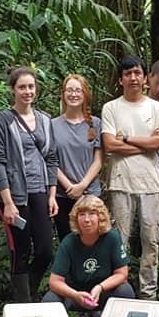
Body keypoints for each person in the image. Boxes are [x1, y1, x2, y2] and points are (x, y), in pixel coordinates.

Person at [101, 55, 159, 299]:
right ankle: (121, 292)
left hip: (151, 184)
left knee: (151, 241)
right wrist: (147, 144)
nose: (133, 78)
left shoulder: (156, 108)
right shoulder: (111, 108)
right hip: (121, 183)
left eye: (137, 73)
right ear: (121, 80)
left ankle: (148, 294)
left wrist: (127, 139)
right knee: (120, 242)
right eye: (128, 73)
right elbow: (109, 145)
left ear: (145, 78)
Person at [0, 67, 59, 304]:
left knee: (45, 250)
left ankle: (27, 290)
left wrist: (52, 194)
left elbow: (51, 157)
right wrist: (7, 203)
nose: (27, 91)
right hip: (15, 194)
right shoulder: (2, 122)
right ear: (13, 90)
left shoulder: (45, 120)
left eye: (31, 86)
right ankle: (24, 303)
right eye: (22, 87)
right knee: (21, 250)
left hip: (40, 190)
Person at [43, 195, 135, 311]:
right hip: (75, 293)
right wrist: (74, 295)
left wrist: (100, 287)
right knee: (50, 299)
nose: (86, 219)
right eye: (82, 214)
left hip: (104, 291)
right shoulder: (68, 242)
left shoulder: (112, 237)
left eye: (92, 214)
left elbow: (122, 274)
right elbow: (54, 281)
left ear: (100, 217)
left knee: (125, 290)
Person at [52, 74, 103, 241]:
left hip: (90, 193)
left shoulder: (95, 123)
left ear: (85, 94)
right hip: (63, 194)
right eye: (69, 90)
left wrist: (82, 186)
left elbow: (98, 160)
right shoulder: (52, 125)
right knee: (68, 241)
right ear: (63, 94)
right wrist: (70, 187)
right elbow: (50, 161)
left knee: (91, 241)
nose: (73, 94)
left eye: (78, 90)